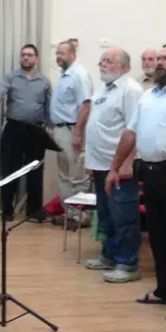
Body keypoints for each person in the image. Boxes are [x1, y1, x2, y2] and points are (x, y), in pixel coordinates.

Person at [108, 45, 166, 316]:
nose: (159, 63)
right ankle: (164, 290)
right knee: (158, 236)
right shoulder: (148, 96)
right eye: (158, 58)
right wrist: (115, 167)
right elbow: (130, 133)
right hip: (149, 171)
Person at [84, 48, 143, 282]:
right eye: (101, 61)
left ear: (124, 67)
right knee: (106, 214)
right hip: (100, 165)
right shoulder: (103, 89)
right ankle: (109, 256)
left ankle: (127, 264)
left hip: (119, 167)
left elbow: (135, 129)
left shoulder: (131, 90)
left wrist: (127, 163)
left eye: (109, 61)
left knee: (124, 215)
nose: (103, 65)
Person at [0, 44, 53, 220]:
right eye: (23, 55)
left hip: (36, 130)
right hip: (14, 128)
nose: (25, 57)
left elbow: (49, 107)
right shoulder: (11, 77)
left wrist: (51, 129)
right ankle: (7, 210)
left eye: (29, 55)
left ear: (36, 59)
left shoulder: (44, 81)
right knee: (9, 169)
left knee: (35, 170)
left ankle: (34, 211)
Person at [48, 40, 93, 225]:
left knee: (77, 175)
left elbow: (86, 105)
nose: (58, 56)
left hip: (72, 129)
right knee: (64, 175)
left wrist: (78, 133)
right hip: (60, 130)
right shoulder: (62, 74)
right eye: (57, 53)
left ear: (72, 55)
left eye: (62, 53)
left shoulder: (79, 75)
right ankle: (69, 214)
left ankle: (81, 217)